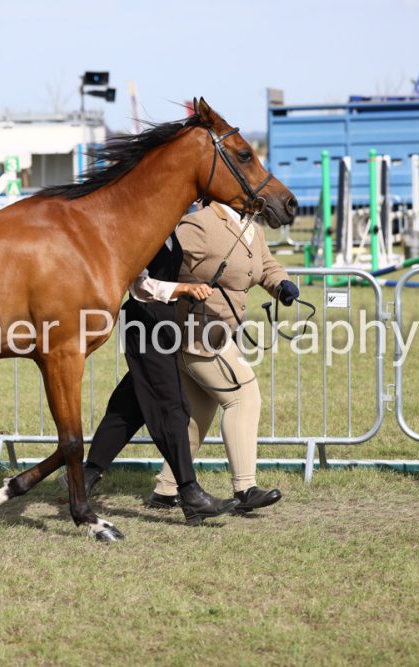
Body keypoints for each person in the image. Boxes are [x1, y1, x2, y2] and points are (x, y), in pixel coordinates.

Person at [62, 229, 241, 525]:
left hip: (163, 324)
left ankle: (84, 476)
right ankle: (191, 494)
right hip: (144, 323)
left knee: (129, 407)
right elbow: (138, 284)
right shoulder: (144, 231)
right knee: (174, 408)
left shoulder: (171, 230)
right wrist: (183, 289)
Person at [155, 200, 299, 511]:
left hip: (222, 332)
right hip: (197, 334)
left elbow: (266, 265)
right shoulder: (199, 224)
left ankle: (166, 489)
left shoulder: (252, 227)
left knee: (197, 415)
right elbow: (162, 264)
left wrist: (282, 285)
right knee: (244, 397)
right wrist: (182, 289)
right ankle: (245, 489)